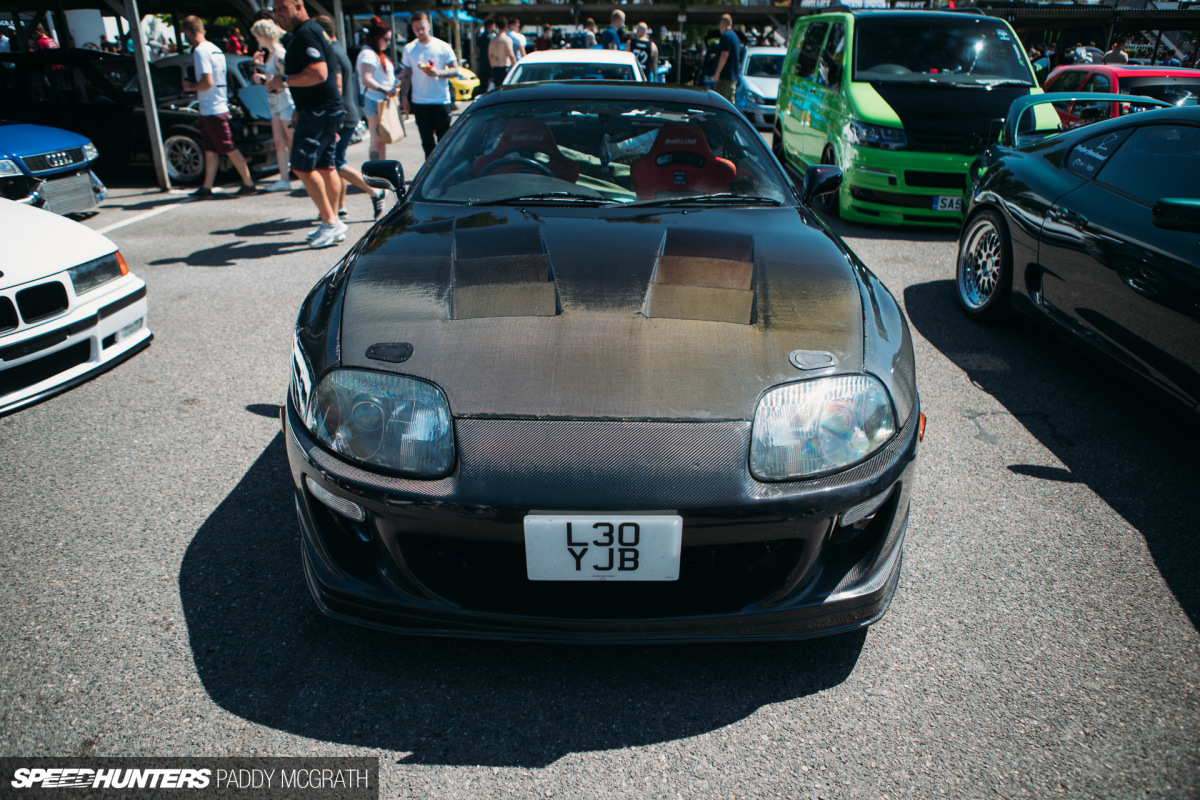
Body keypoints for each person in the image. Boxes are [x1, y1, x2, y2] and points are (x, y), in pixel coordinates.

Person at [269, 0, 347, 248]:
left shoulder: (306, 33)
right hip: (322, 108)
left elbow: (319, 73)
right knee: (326, 166)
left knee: (302, 166)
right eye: (276, 10)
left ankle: (332, 222)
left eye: (283, 8)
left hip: (320, 110)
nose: (279, 14)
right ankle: (331, 223)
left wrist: (282, 80)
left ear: (298, 5)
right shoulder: (310, 31)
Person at [313, 14, 388, 221]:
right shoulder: (337, 50)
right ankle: (340, 206)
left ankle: (375, 191)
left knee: (335, 164)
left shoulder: (332, 54)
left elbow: (336, 89)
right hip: (345, 114)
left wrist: (333, 123)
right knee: (333, 163)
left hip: (341, 116)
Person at [179, 15, 258, 198]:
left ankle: (248, 183)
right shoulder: (216, 50)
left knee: (227, 146)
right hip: (218, 103)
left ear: (188, 33)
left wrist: (190, 86)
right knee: (211, 149)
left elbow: (207, 82)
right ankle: (207, 186)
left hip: (211, 106)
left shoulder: (200, 52)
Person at [400, 12, 460, 159]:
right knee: (427, 142)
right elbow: (406, 75)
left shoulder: (442, 46)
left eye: (422, 28)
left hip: (441, 100)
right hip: (420, 101)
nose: (420, 32)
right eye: (416, 29)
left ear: (428, 25)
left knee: (444, 141)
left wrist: (439, 73)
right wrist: (404, 97)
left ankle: (444, 171)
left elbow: (456, 70)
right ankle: (429, 174)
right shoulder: (409, 49)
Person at [250, 18, 295, 193]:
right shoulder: (271, 54)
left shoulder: (279, 54)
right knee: (279, 141)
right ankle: (285, 178)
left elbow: (288, 80)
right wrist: (259, 69)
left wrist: (268, 79)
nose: (256, 40)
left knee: (291, 140)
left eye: (257, 36)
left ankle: (298, 173)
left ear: (263, 35)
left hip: (284, 101)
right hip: (275, 102)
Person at [355, 18, 397, 162]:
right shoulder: (368, 54)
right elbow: (366, 79)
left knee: (381, 139)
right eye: (386, 39)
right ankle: (375, 173)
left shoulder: (374, 53)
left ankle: (381, 171)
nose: (388, 43)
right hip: (373, 100)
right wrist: (385, 89)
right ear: (377, 38)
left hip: (378, 99)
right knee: (376, 138)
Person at [713, 14, 740, 102]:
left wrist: (717, 73)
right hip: (732, 77)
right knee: (731, 103)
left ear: (722, 23)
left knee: (722, 103)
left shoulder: (726, 36)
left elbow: (724, 55)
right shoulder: (735, 37)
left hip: (725, 78)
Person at [488, 16, 517, 89]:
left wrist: (493, 66)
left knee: (497, 90)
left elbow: (490, 55)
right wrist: (515, 68)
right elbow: (511, 55)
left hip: (495, 68)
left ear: (497, 26)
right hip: (504, 68)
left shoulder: (493, 40)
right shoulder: (506, 40)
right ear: (506, 26)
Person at [474, 19, 496, 91]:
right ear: (490, 26)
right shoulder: (491, 38)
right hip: (490, 62)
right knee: (491, 82)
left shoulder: (480, 37)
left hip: (482, 61)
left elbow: (478, 50)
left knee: (483, 82)